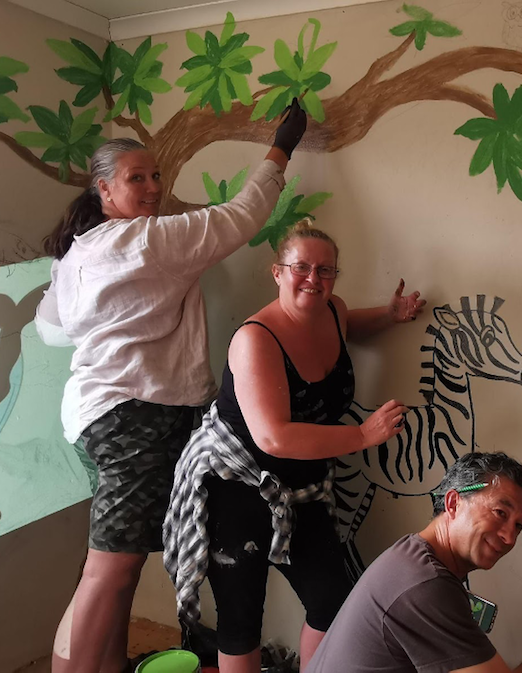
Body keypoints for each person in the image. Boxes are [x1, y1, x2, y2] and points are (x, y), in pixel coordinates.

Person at [35, 101, 308, 673]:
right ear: (105, 191)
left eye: (157, 175)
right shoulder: (152, 241)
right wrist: (282, 146)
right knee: (109, 567)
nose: (155, 187)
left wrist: (114, 318)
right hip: (135, 414)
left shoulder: (78, 252)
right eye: (139, 178)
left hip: (97, 415)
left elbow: (51, 329)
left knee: (119, 562)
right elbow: (243, 214)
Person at [163, 219, 427, 672]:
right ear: (278, 272)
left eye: (326, 271)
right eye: (301, 267)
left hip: (303, 489)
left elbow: (349, 324)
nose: (314, 279)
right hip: (238, 486)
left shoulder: (333, 310)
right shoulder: (254, 339)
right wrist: (363, 436)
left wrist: (389, 315)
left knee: (333, 602)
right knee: (241, 620)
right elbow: (274, 436)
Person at [306, 451, 522, 673]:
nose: (510, 537)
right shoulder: (425, 584)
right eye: (499, 512)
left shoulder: (411, 554)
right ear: (453, 503)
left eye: (519, 526)